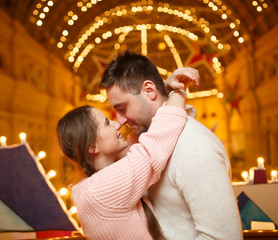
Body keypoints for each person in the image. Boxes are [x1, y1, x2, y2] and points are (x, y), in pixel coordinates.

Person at [100, 51, 243, 240]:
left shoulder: (194, 146)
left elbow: (224, 237)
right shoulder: (145, 141)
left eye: (123, 108)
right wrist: (170, 92)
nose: (120, 120)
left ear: (150, 91)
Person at [56, 73, 198, 239]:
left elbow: (147, 137)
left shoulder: (110, 168)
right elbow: (155, 144)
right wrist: (178, 91)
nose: (118, 123)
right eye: (107, 123)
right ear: (92, 146)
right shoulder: (100, 189)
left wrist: (159, 95)